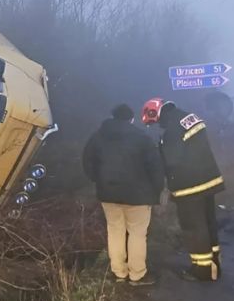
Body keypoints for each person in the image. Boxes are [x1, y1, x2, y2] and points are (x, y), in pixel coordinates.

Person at [142, 98, 224, 282]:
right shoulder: (188, 118)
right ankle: (214, 263)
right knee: (208, 222)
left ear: (156, 112)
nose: (158, 126)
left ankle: (202, 269)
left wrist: (159, 153)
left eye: (155, 122)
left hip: (189, 186)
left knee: (193, 226)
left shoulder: (171, 131)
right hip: (208, 180)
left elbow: (172, 160)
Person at [83, 104, 165, 286]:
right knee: (137, 234)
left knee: (114, 231)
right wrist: (156, 191)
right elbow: (156, 168)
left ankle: (119, 272)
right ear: (132, 119)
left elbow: (87, 162)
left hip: (108, 194)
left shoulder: (98, 137)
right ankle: (137, 275)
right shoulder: (143, 138)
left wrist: (99, 180)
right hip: (139, 196)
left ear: (113, 116)